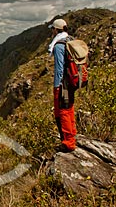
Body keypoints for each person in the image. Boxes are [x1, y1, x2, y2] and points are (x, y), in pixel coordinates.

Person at [48, 18, 76, 152]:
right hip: (72, 81)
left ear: (56, 30)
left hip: (63, 83)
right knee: (69, 108)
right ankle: (72, 135)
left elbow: (59, 68)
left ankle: (68, 142)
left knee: (63, 111)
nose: (52, 32)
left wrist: (56, 86)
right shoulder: (70, 40)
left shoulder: (59, 45)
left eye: (52, 29)